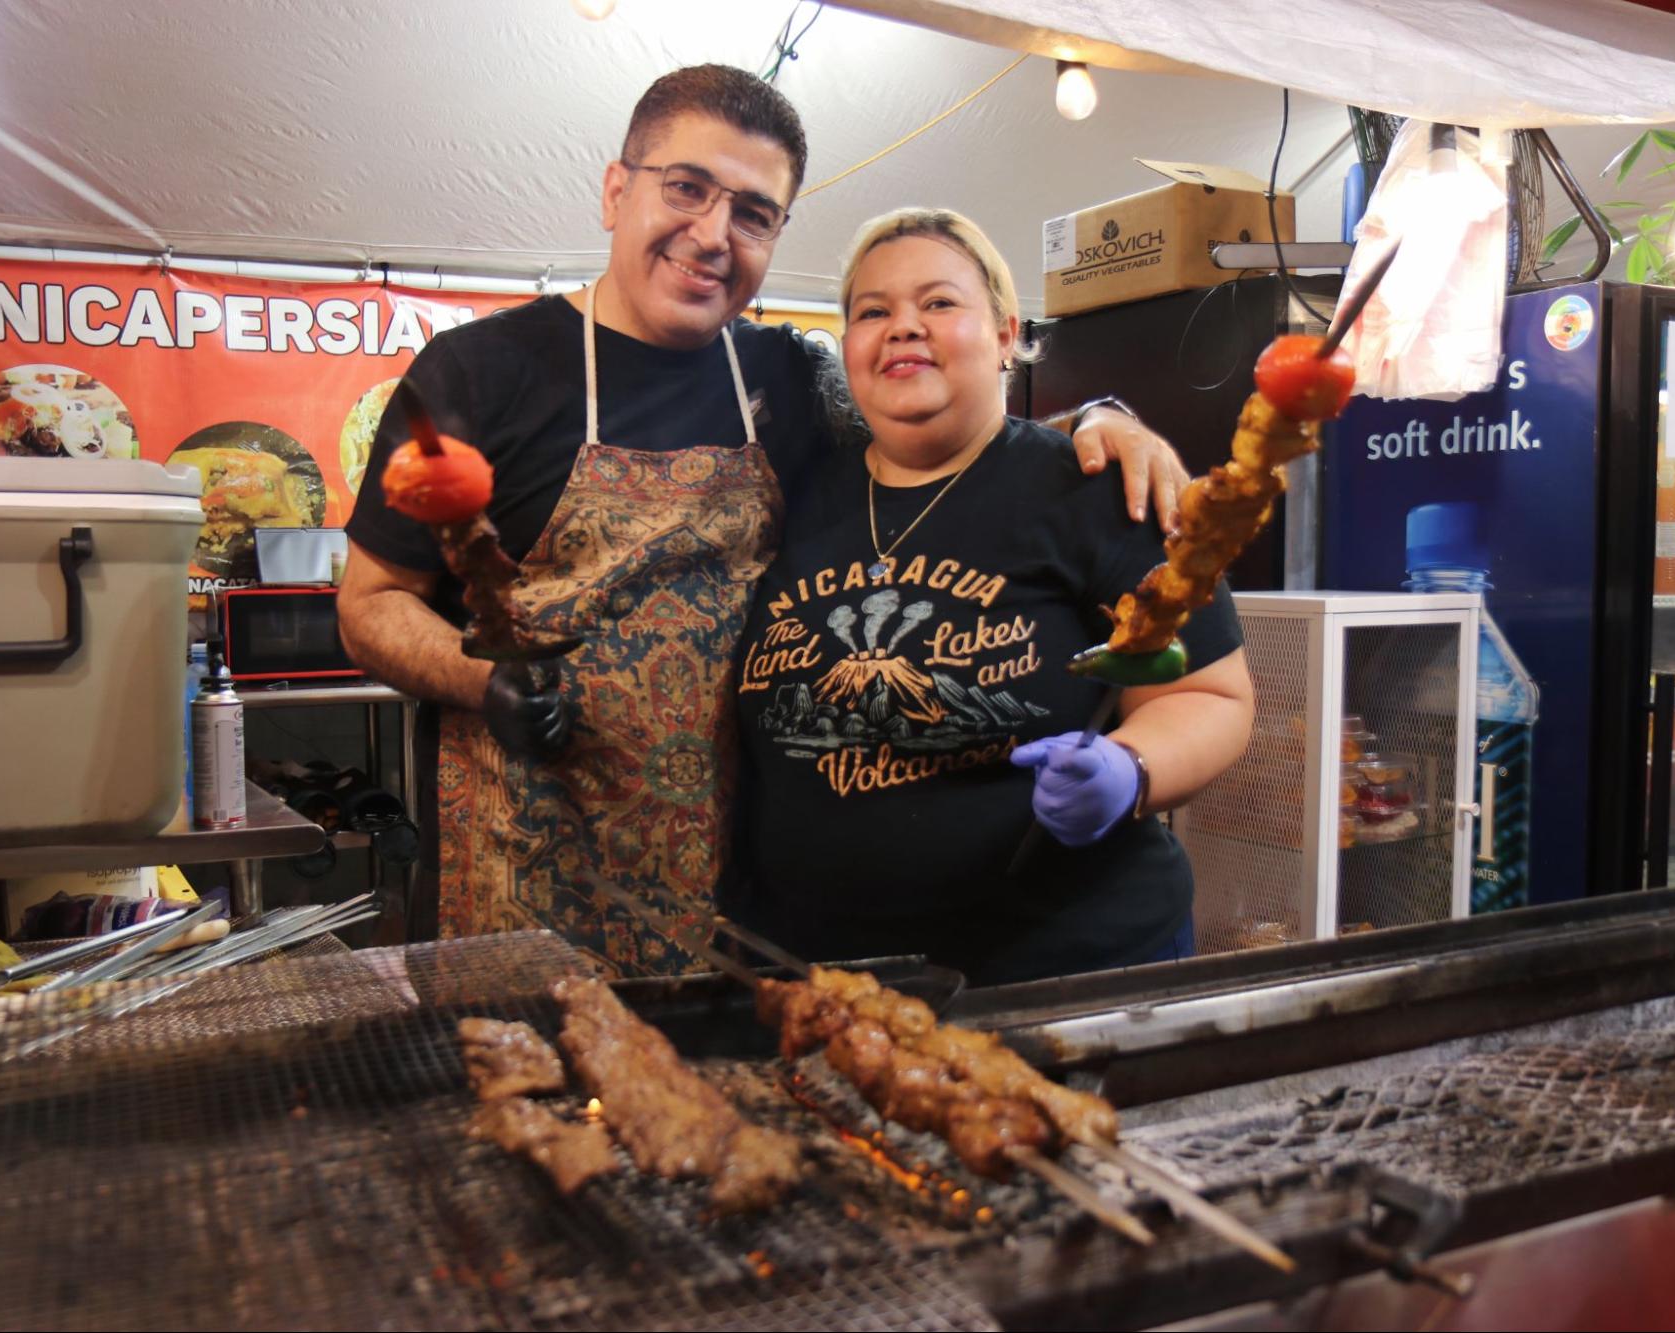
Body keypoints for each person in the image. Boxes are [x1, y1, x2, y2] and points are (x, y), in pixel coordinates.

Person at [340, 66, 1191, 975]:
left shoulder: (790, 378)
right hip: (525, 878)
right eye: (686, 188)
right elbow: (369, 603)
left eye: (752, 212)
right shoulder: (480, 373)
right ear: (615, 189)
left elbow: (948, 429)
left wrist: (1095, 421)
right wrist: (481, 681)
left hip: (741, 911)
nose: (712, 235)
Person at [727, 208, 1256, 986]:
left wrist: (1128, 768)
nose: (903, 326)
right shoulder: (794, 495)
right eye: (872, 312)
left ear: (1007, 334)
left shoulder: (1094, 486)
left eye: (938, 303)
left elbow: (1212, 694)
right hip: (823, 980)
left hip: (1062, 968)